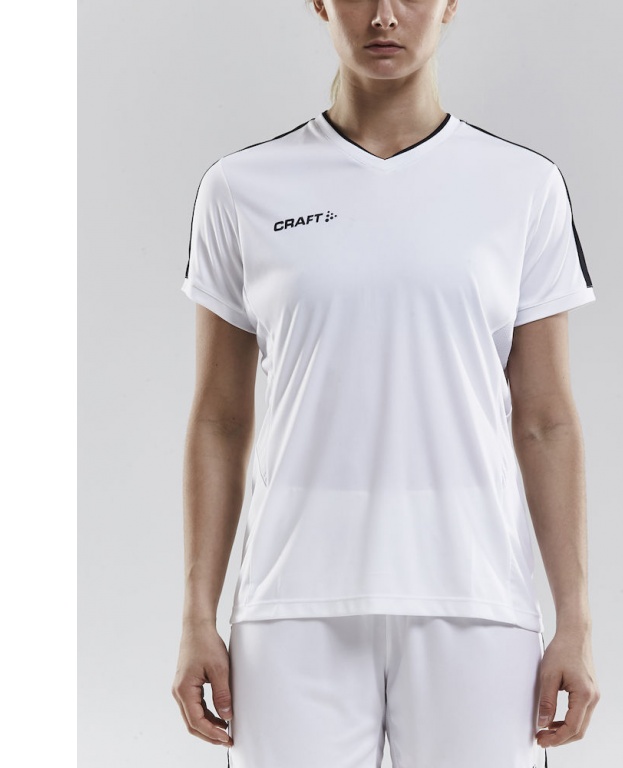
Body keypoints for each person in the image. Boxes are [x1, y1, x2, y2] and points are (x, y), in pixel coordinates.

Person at [171, 1, 600, 766]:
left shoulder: (523, 186)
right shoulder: (241, 188)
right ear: (320, 4)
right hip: (292, 602)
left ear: (451, 5)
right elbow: (220, 419)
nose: (385, 17)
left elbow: (545, 420)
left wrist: (576, 621)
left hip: (474, 597)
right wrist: (195, 616)